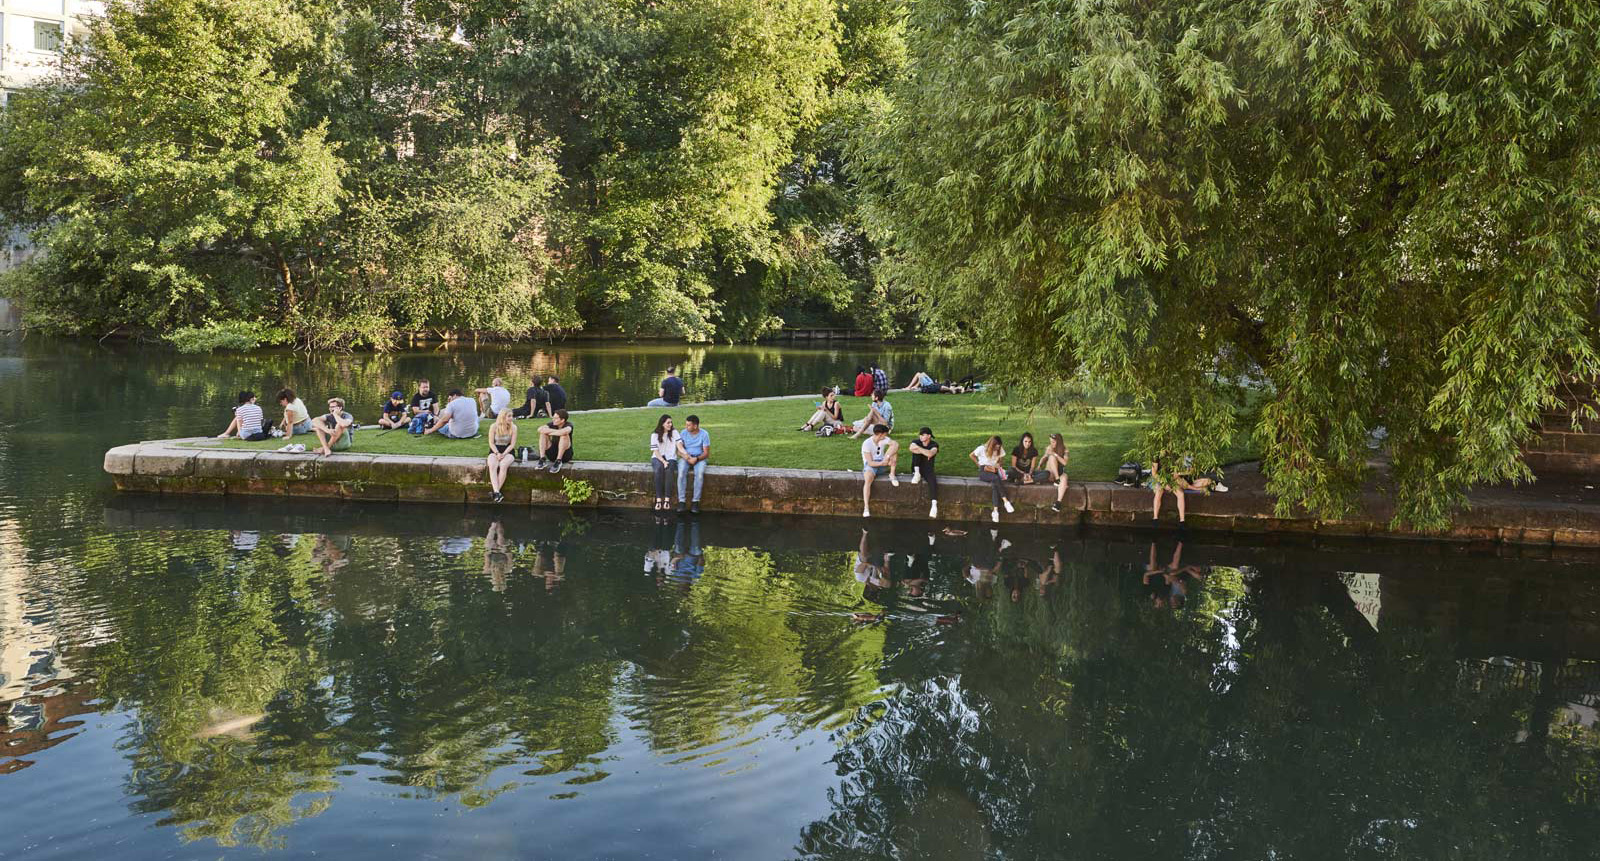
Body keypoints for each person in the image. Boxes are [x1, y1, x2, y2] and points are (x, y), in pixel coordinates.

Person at [1150, 454, 1227, 524]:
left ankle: (1215, 484)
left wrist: (1179, 473)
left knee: (1205, 481)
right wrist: (1164, 481)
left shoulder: (1182, 454)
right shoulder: (1157, 455)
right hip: (1165, 480)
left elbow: (1190, 470)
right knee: (1160, 491)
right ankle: (1155, 518)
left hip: (1183, 480)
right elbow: (1154, 473)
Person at [969, 435, 1017, 523]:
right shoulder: (982, 448)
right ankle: (1006, 501)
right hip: (984, 470)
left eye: (998, 447)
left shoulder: (1000, 449)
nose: (997, 449)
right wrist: (979, 465)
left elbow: (1001, 460)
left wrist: (999, 464)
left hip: (994, 470)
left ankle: (995, 511)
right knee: (995, 479)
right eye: (995, 447)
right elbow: (971, 455)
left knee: (995, 484)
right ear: (991, 445)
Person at [860, 424, 899, 517]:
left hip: (883, 462)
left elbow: (896, 444)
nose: (886, 436)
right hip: (872, 465)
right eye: (885, 434)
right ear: (880, 434)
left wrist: (887, 457)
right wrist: (882, 463)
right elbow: (870, 463)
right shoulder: (867, 443)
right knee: (868, 480)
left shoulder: (884, 439)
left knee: (894, 451)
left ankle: (892, 475)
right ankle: (866, 507)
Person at [675, 414, 711, 514]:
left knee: (699, 475)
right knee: (681, 472)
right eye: (686, 425)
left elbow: (706, 453)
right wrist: (687, 457)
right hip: (686, 457)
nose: (686, 427)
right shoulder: (683, 433)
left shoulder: (704, 434)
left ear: (695, 426)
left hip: (699, 458)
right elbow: (678, 451)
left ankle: (695, 501)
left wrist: (697, 459)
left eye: (688, 425)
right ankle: (681, 501)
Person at [649, 414, 680, 511]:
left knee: (669, 469)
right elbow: (656, 452)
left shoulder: (674, 432)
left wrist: (686, 454)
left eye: (671, 422)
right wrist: (663, 461)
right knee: (658, 469)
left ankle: (667, 500)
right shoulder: (654, 435)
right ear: (662, 424)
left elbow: (679, 445)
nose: (670, 424)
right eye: (668, 422)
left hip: (671, 457)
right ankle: (658, 499)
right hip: (657, 457)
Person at [485, 409, 518, 502]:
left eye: (512, 416)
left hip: (508, 451)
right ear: (503, 417)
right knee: (492, 465)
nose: (511, 418)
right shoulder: (494, 426)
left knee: (503, 465)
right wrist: (497, 453)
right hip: (495, 450)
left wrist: (503, 454)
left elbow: (512, 444)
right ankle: (497, 492)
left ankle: (496, 492)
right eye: (509, 416)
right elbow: (491, 443)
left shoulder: (514, 427)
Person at [909, 426, 940, 518]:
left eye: (923, 435)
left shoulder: (934, 444)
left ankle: (934, 505)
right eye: (920, 435)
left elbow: (931, 453)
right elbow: (911, 448)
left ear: (929, 436)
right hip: (916, 468)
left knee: (933, 482)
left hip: (928, 469)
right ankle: (917, 473)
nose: (920, 437)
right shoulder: (916, 441)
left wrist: (920, 450)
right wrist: (925, 452)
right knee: (916, 454)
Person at [1041, 433, 1071, 512]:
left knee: (1065, 477)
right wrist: (1039, 465)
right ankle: (1057, 479)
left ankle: (1058, 503)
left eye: (1053, 442)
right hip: (1050, 474)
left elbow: (1065, 463)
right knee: (1051, 458)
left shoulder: (1065, 450)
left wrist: (1054, 454)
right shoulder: (1049, 448)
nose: (1051, 443)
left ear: (1059, 442)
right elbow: (1043, 458)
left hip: (1059, 472)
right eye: (1050, 441)